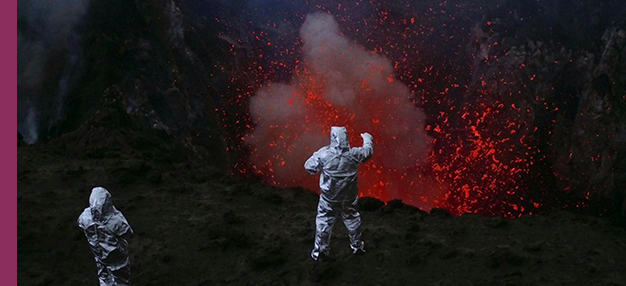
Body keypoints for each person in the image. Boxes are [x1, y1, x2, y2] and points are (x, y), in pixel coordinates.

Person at [304, 126, 374, 260]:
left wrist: (319, 153)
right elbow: (368, 151)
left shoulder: (325, 155)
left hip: (329, 199)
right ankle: (357, 247)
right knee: (353, 220)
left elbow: (309, 167)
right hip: (348, 199)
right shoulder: (354, 155)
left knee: (324, 222)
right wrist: (367, 139)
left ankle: (320, 252)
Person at [78, 187, 133, 286]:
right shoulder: (115, 221)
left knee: (104, 278)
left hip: (99, 256)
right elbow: (127, 232)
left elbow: (80, 225)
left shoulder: (85, 217)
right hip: (117, 258)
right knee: (121, 280)